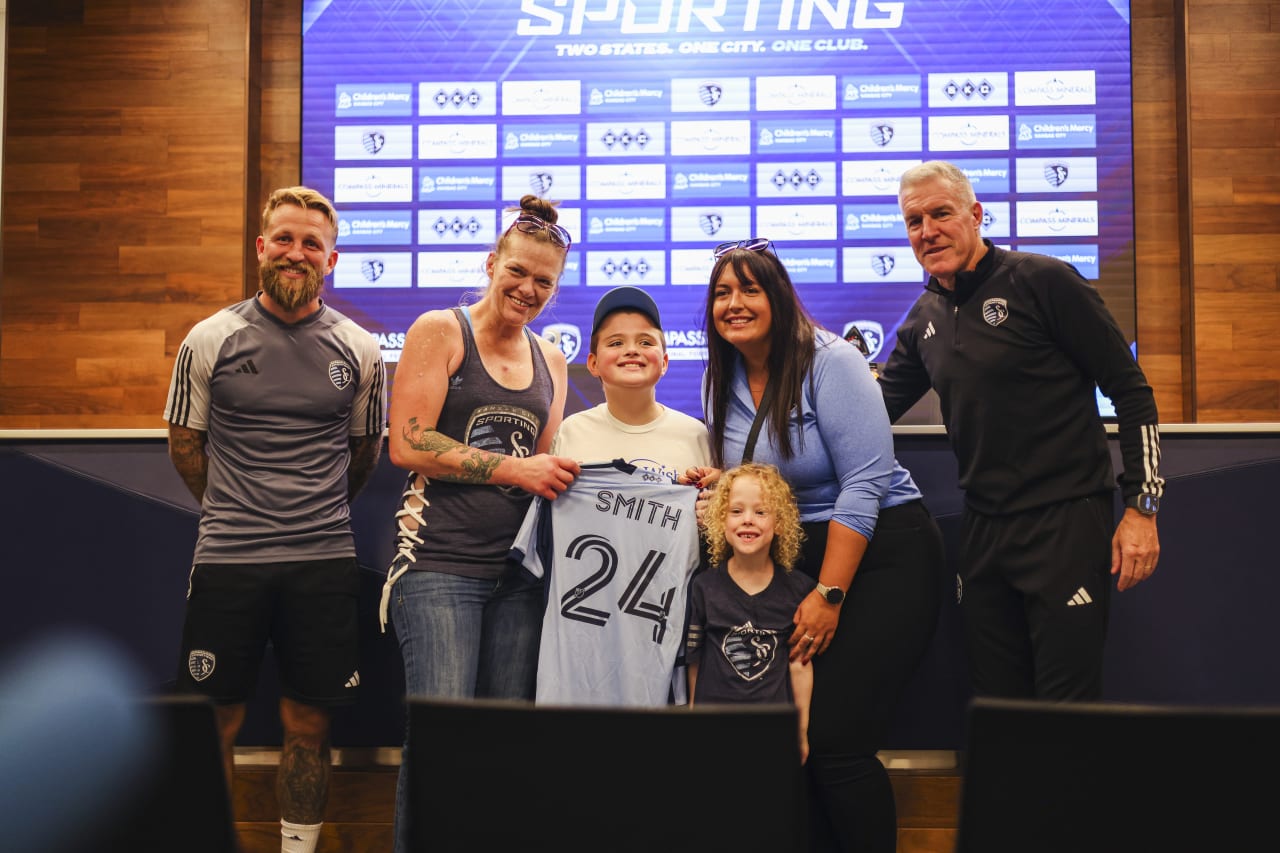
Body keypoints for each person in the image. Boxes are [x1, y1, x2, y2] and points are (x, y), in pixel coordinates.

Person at [684, 237, 944, 853]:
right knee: (790, 747)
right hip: (795, 561)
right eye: (722, 293)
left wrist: (829, 593)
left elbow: (866, 479)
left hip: (880, 557)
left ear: (777, 295)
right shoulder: (717, 378)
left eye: (749, 289)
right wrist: (722, 484)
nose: (734, 303)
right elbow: (768, 476)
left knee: (835, 746)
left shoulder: (833, 360)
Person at [880, 160, 1164, 701]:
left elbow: (1131, 391)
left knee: (1066, 708)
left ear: (976, 214)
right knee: (997, 707)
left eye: (941, 213)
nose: (928, 231)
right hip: (984, 531)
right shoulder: (923, 319)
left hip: (1066, 522)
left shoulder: (1044, 281)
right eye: (914, 221)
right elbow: (868, 410)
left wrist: (1142, 508)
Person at [164, 185, 387, 853]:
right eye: (284, 239)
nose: (296, 252)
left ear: (332, 258)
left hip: (322, 563)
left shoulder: (360, 349)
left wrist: (310, 511)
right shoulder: (209, 337)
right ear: (261, 248)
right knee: (212, 721)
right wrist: (239, 510)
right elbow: (184, 445)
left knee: (308, 722)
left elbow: (362, 455)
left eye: (311, 243)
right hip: (228, 560)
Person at [380, 194, 581, 853]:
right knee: (442, 736)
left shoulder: (552, 358)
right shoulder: (440, 330)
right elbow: (408, 444)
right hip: (437, 564)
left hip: (517, 576)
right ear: (492, 262)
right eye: (518, 271)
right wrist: (513, 469)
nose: (528, 288)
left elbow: (545, 465)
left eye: (544, 281)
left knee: (500, 739)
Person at [540, 284, 711, 705]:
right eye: (616, 342)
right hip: (584, 627)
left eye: (646, 341)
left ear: (666, 361)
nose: (632, 350)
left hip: (659, 624)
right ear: (593, 363)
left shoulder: (694, 435)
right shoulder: (572, 432)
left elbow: (709, 524)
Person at [685, 462, 815, 763]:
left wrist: (801, 730)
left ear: (780, 522)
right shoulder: (704, 587)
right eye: (736, 511)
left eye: (760, 512)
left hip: (772, 731)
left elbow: (799, 666)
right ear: (720, 519)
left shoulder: (799, 590)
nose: (748, 521)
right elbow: (695, 663)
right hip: (713, 727)